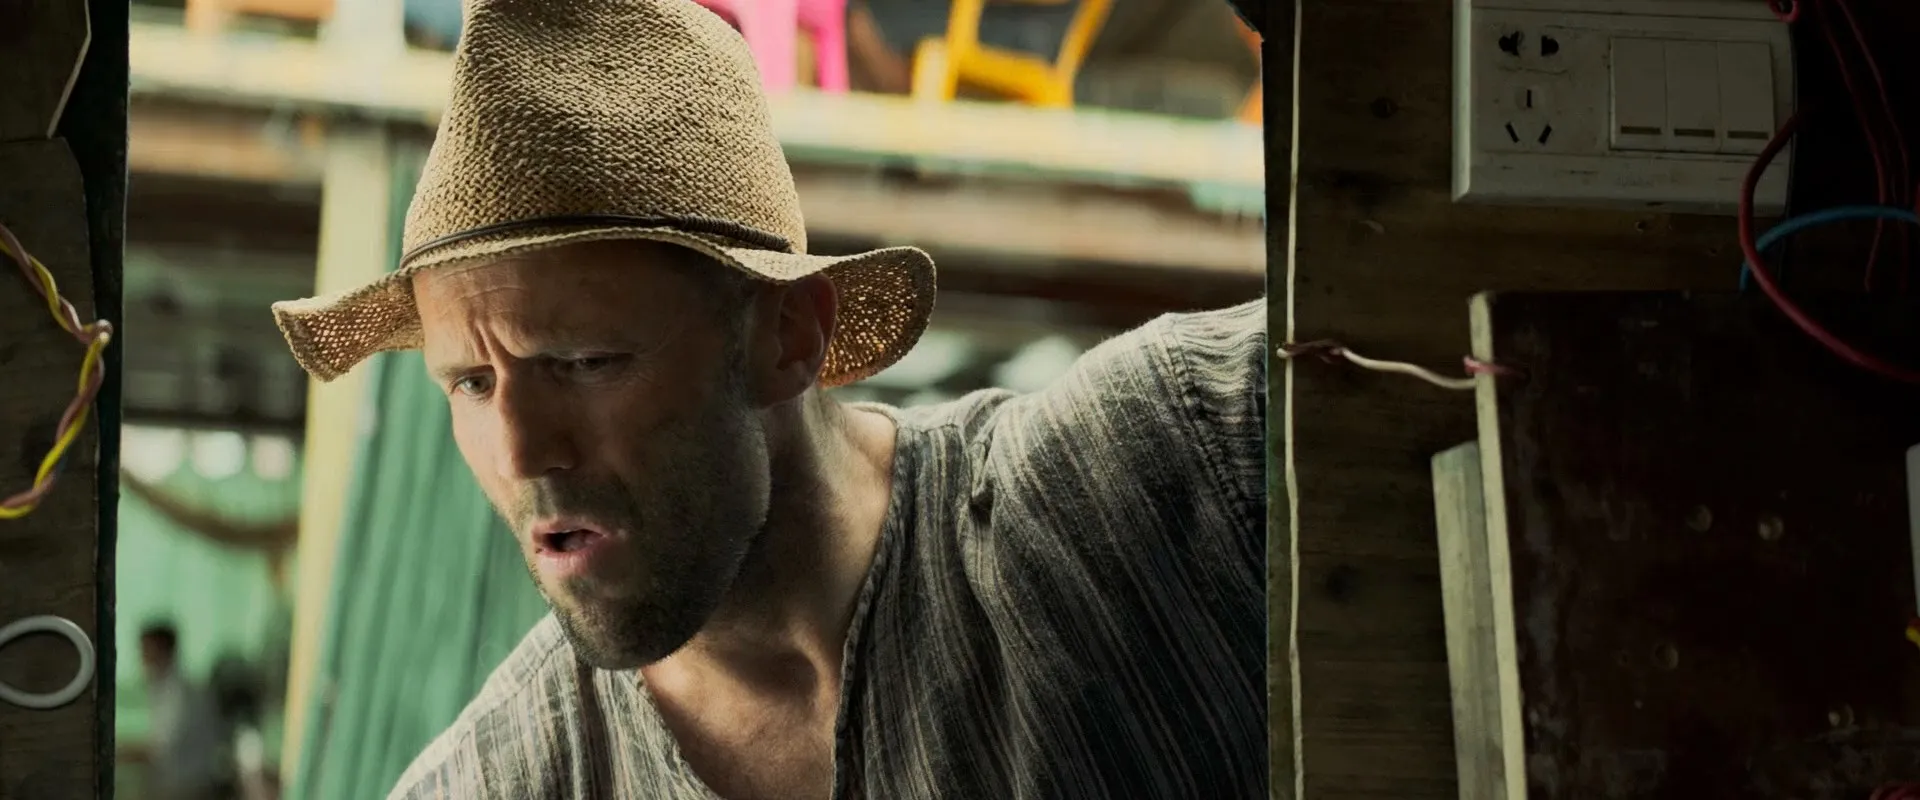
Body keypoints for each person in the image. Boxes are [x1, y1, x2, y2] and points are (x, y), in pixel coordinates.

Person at [268, 0, 1267, 796]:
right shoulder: (500, 781)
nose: (522, 449)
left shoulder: (1157, 472)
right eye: (472, 382)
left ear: (788, 337)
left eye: (584, 362)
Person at [124, 622, 235, 800]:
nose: (142, 657)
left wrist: (116, 752)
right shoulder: (165, 688)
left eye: (146, 650)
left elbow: (160, 749)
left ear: (162, 650)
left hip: (188, 788)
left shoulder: (179, 693)